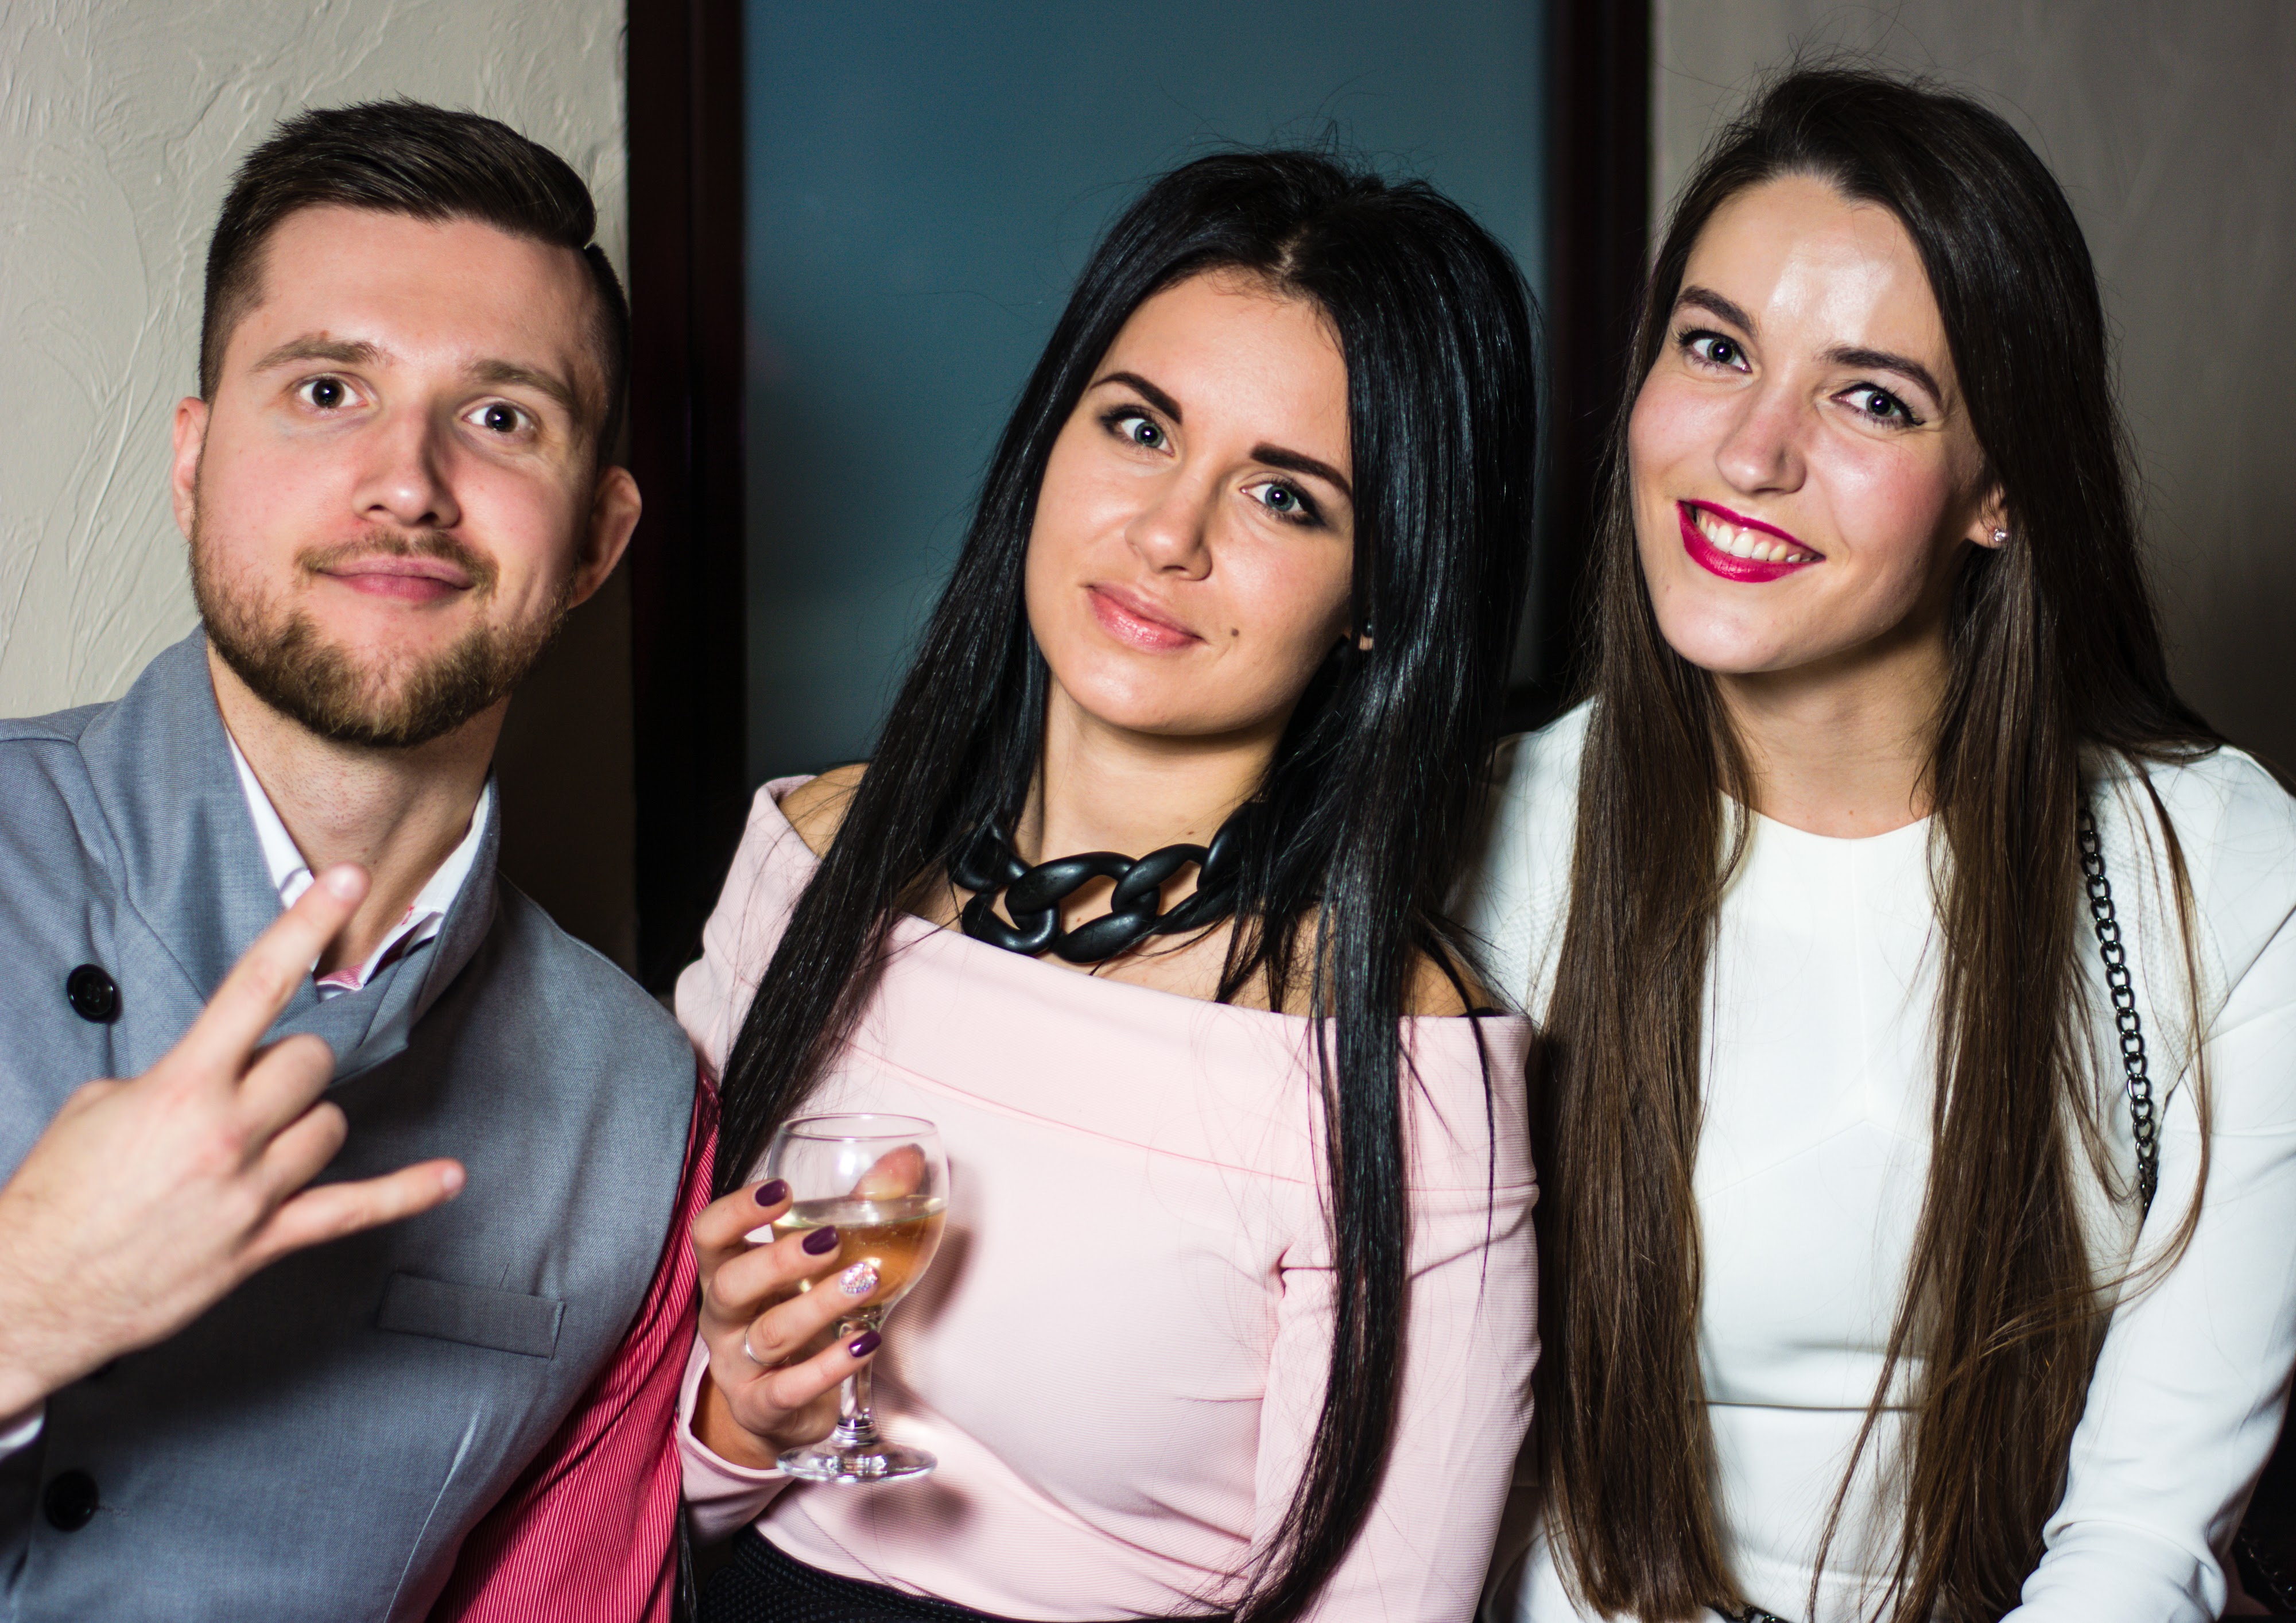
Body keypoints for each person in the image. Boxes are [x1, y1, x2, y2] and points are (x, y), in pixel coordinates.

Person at [1462, 66, 2296, 1623]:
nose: (1750, 451)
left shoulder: (2229, 877)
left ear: (2000, 493)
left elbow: (2142, 1541)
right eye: (1715, 348)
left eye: (1870, 398)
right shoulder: (1479, 848)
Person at [674, 150, 1541, 1621]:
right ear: (1048, 441)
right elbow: (618, 1443)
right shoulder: (813, 852)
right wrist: (739, 1421)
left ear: (1380, 597)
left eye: (1284, 497)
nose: (1166, 533)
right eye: (1139, 427)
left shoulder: (1396, 1057)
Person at [0, 102, 708, 1620]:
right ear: (194, 461)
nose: (407, 482)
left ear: (597, 539)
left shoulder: (640, 1108)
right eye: (328, 391)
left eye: (502, 417)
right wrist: (25, 1301)